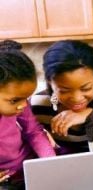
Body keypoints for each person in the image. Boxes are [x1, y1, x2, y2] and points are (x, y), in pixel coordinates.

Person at [0, 40, 56, 187]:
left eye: (27, 98)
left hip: (27, 168)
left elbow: (33, 132)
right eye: (15, 100)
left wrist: (50, 161)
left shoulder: (20, 105)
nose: (24, 105)